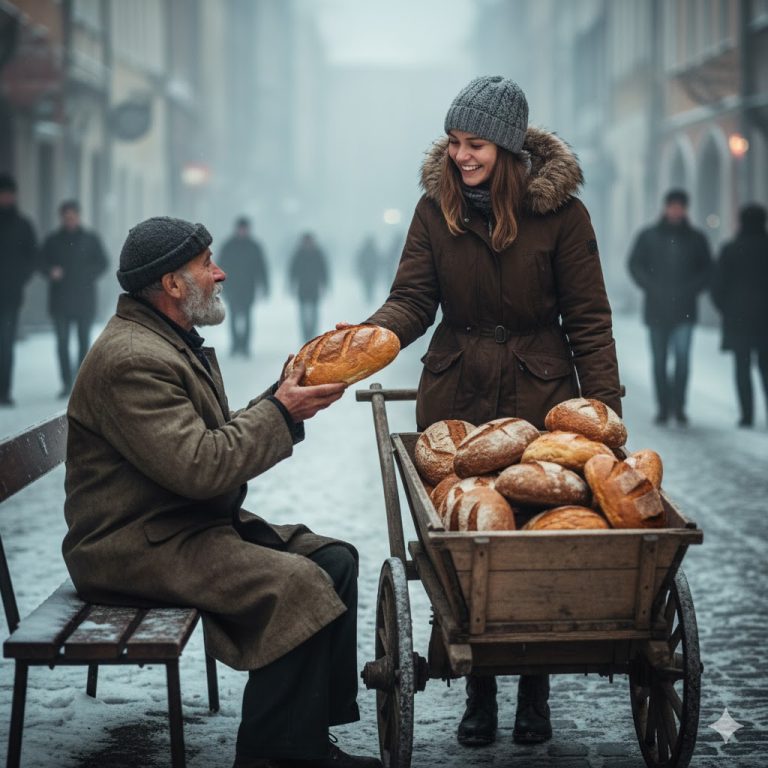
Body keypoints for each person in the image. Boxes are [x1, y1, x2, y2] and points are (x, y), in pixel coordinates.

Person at [62, 216, 381, 768]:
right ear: (171, 285)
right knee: (298, 585)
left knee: (334, 561)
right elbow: (201, 467)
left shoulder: (166, 342)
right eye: (207, 264)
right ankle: (274, 755)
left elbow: (208, 441)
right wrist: (281, 411)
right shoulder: (133, 359)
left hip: (176, 524)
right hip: (132, 545)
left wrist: (285, 396)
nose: (221, 272)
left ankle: (303, 738)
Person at [362, 76, 622, 748]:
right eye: (453, 143)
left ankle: (533, 690)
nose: (460, 156)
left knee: (532, 537)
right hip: (456, 396)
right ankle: (477, 689)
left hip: (540, 397)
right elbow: (413, 301)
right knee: (463, 539)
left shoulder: (562, 216)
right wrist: (368, 342)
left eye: (473, 143)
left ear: (506, 148)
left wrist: (605, 417)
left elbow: (589, 320)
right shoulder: (435, 210)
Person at [628, 189, 712, 425]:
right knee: (659, 361)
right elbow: (635, 265)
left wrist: (691, 289)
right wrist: (651, 286)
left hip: (684, 309)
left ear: (685, 209)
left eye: (680, 206)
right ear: (665, 208)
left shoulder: (696, 238)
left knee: (683, 360)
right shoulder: (648, 236)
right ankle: (663, 407)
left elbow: (707, 269)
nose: (676, 210)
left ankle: (679, 406)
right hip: (656, 309)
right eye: (672, 206)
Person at [42, 200, 109, 397]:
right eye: (66, 217)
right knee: (62, 343)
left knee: (82, 342)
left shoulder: (90, 239)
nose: (69, 220)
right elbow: (41, 261)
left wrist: (90, 274)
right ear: (61, 218)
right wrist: (50, 271)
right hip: (60, 300)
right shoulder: (53, 240)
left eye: (72, 216)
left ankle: (80, 383)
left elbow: (103, 262)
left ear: (78, 217)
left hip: (84, 299)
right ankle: (65, 383)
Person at [711, 204, 768, 427]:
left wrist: (726, 309)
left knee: (742, 368)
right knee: (766, 368)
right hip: (765, 320)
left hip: (738, 319)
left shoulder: (731, 249)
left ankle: (747, 415)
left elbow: (716, 285)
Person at [0, 173, 37, 407]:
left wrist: (20, 278)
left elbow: (32, 257)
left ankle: (3, 391)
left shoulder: (23, 225)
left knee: (5, 344)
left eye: (8, 194)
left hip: (11, 295)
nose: (5, 198)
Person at [218, 216, 270, 357]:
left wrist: (265, 286)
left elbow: (262, 268)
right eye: (241, 228)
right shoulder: (228, 246)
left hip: (248, 288)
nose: (242, 231)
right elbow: (220, 266)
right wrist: (218, 284)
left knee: (247, 316)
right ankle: (235, 345)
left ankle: (245, 346)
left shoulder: (254, 246)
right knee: (234, 316)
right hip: (232, 287)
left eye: (244, 228)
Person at [288, 232, 329, 341]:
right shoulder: (298, 254)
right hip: (302, 288)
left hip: (314, 288)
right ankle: (305, 335)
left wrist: (325, 284)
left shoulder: (318, 254)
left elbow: (324, 270)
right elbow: (292, 271)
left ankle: (312, 333)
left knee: (314, 313)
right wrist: (291, 285)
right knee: (303, 314)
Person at [354, 235, 380, 302]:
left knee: (369, 285)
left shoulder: (367, 250)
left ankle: (369, 296)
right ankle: (369, 296)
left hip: (369, 272)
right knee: (369, 285)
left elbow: (360, 261)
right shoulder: (373, 250)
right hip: (370, 272)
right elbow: (360, 261)